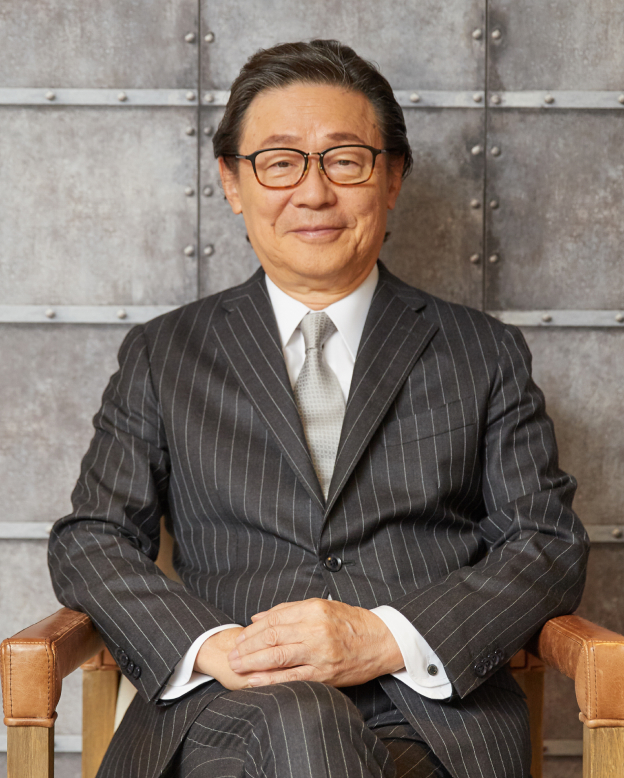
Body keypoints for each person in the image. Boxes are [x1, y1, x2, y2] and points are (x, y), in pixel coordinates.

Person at [48, 39, 589, 778]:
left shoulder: (481, 351)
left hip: (428, 720)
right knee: (303, 717)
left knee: (311, 732)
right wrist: (214, 648)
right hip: (224, 714)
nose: (313, 193)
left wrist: (385, 638)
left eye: (345, 160)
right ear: (231, 182)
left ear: (392, 178)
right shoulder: (163, 352)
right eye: (280, 162)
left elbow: (546, 542)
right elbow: (92, 537)